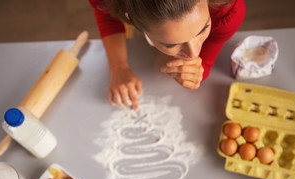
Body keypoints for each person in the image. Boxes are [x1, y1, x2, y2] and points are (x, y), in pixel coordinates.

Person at [88, 0, 246, 109]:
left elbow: (203, 62)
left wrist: (199, 69)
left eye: (203, 29)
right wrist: (118, 67)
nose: (194, 53)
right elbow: (107, 13)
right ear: (134, 20)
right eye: (172, 44)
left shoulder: (229, 9)